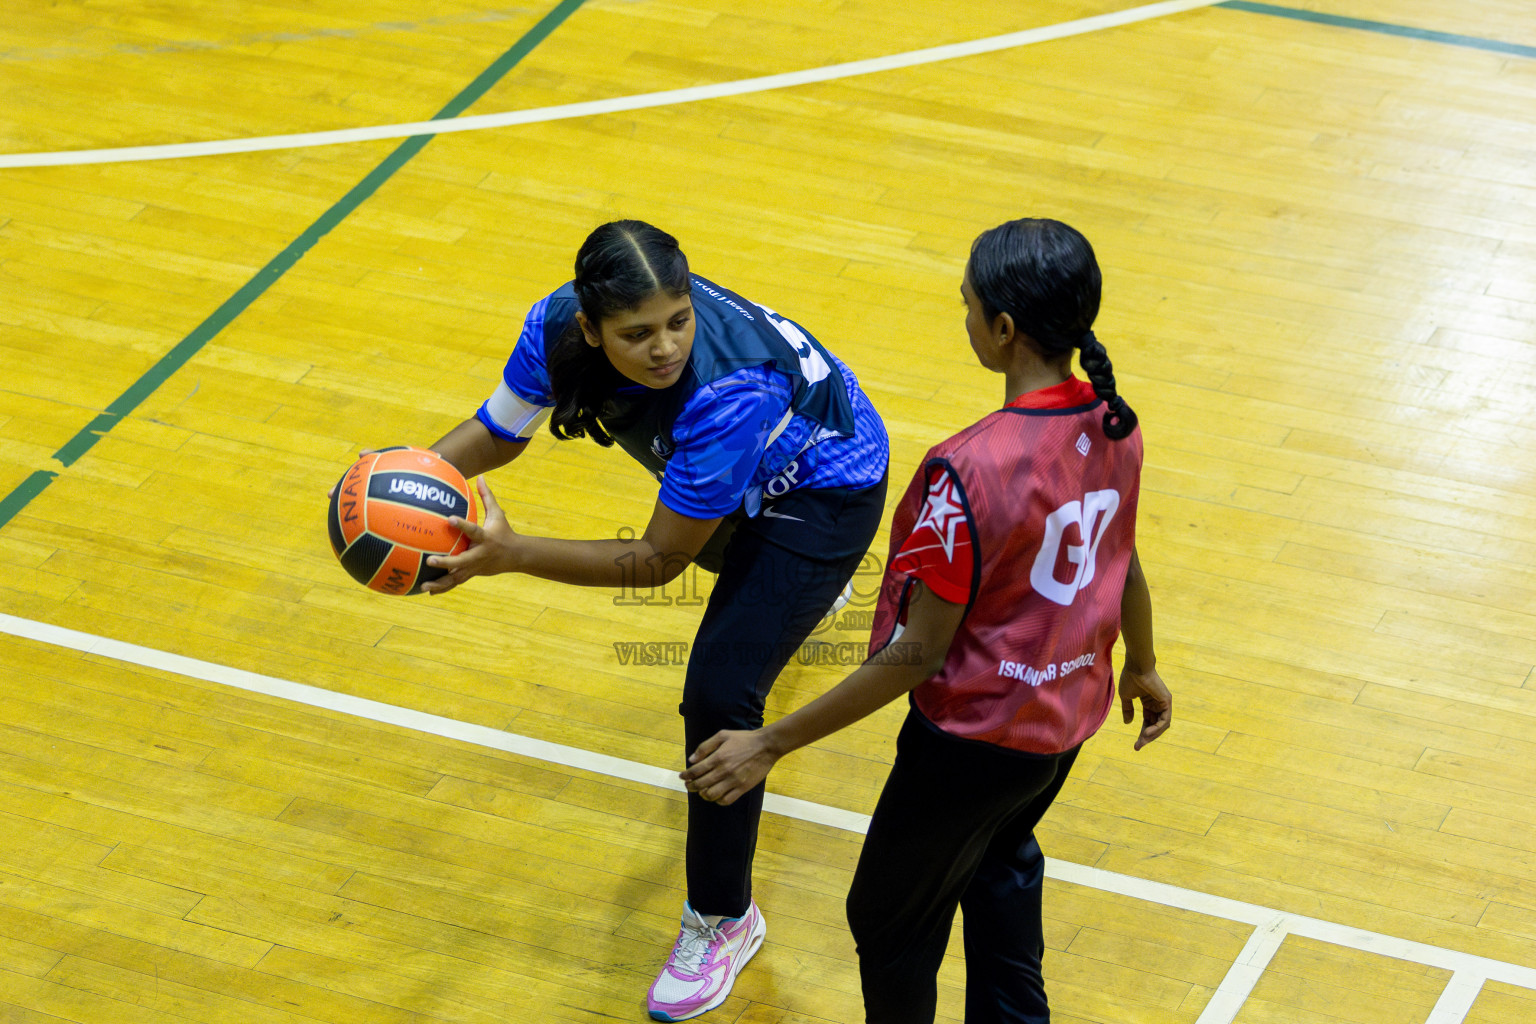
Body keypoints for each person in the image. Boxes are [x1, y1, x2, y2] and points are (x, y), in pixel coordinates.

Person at [681, 218, 1172, 1023]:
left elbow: (919, 652)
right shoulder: (1114, 422)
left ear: (1004, 331)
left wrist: (769, 742)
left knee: (888, 919)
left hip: (970, 745)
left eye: (969, 306)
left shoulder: (970, 468)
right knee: (999, 866)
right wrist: (1142, 662)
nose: (966, 318)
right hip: (1063, 723)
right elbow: (1123, 556)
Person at [408, 220, 890, 1022]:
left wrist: (513, 552)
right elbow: (496, 431)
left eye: (678, 321)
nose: (663, 346)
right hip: (745, 476)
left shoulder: (732, 388)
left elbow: (658, 560)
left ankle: (724, 920)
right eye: (636, 333)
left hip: (824, 493)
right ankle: (789, 590)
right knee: (724, 551)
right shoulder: (555, 323)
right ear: (590, 327)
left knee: (718, 697)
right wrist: (403, 484)